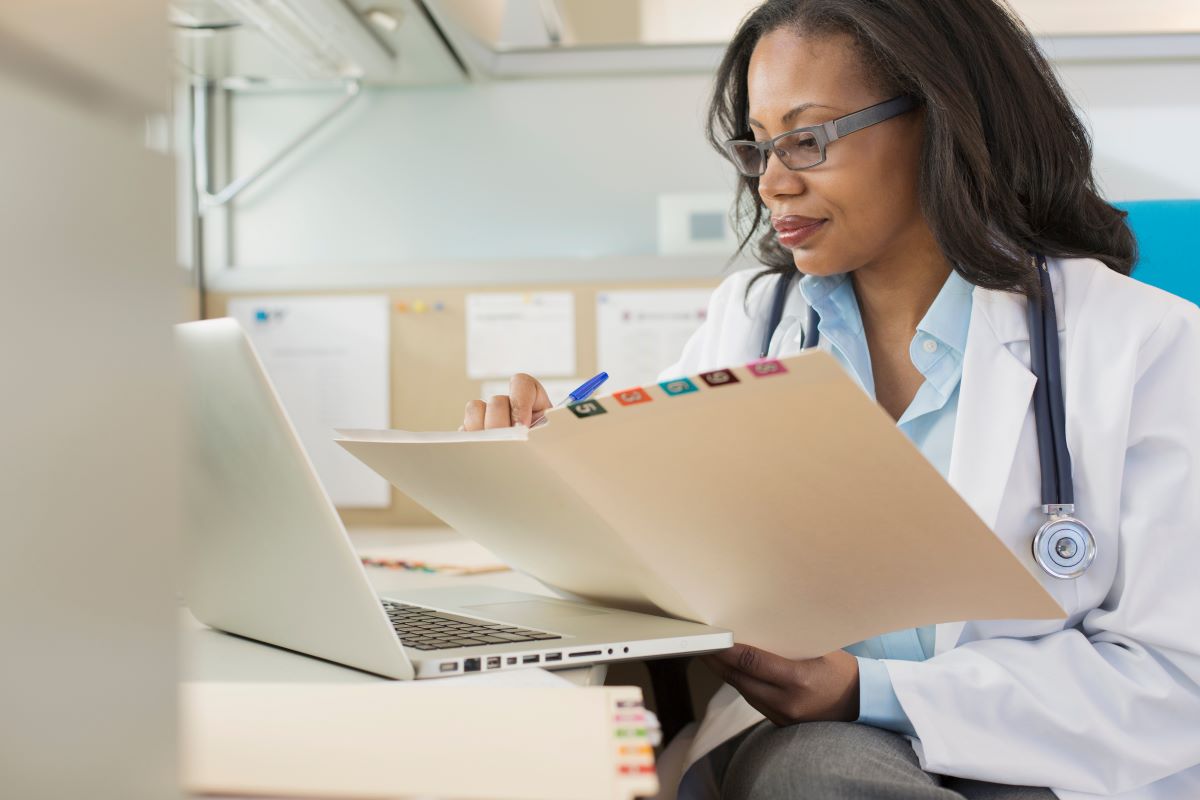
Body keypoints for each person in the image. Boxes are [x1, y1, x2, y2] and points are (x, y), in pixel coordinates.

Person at [461, 0, 1200, 797]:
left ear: (942, 120)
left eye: (807, 139)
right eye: (759, 147)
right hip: (817, 760)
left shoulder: (1146, 347)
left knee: (817, 769)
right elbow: (654, 534)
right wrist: (541, 471)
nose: (774, 182)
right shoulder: (753, 319)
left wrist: (864, 691)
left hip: (1060, 770)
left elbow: (1173, 679)